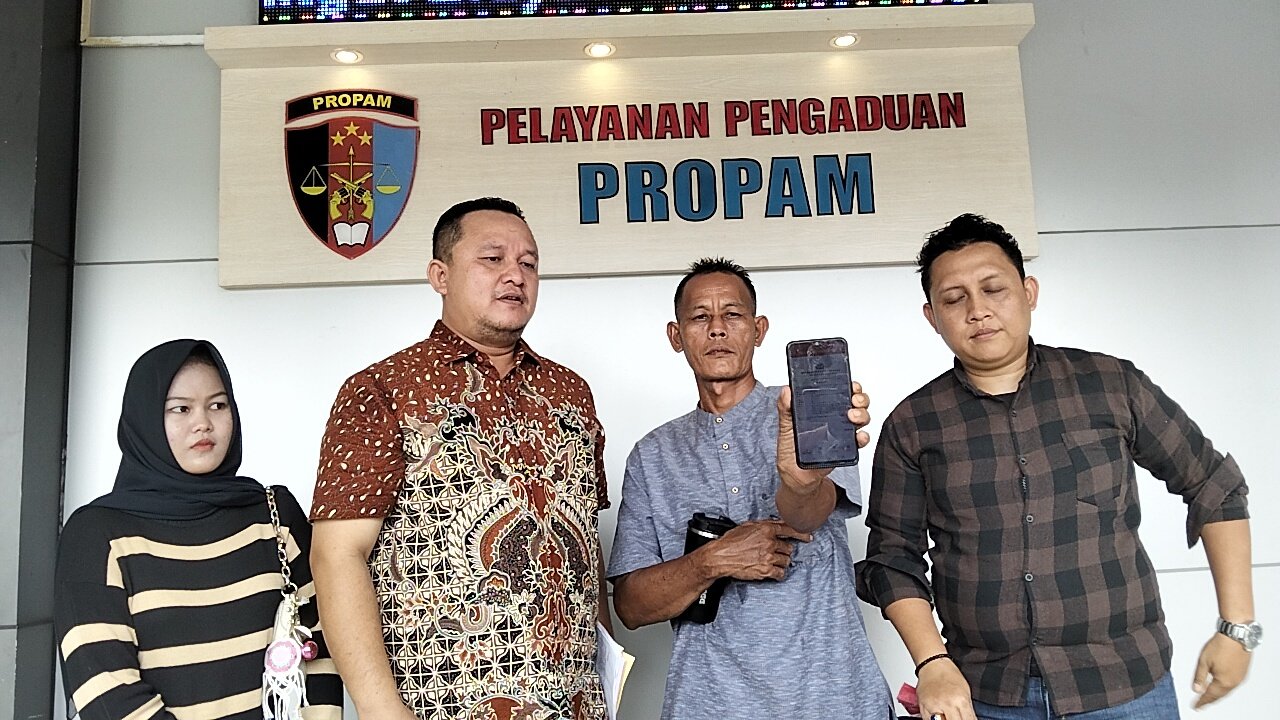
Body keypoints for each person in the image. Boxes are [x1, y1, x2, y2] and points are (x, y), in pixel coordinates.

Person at [855, 214, 1256, 720]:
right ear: (932, 317)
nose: (978, 311)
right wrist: (932, 663)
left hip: (1124, 685)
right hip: (984, 695)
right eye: (955, 299)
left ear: (1029, 293)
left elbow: (1214, 485)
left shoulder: (1109, 384)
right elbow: (893, 559)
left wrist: (1237, 628)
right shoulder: (913, 424)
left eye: (993, 289)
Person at [309, 197, 611, 720]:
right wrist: (380, 710)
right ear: (440, 275)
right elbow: (336, 556)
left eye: (529, 263)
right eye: (493, 259)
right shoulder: (383, 390)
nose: (515, 275)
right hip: (442, 705)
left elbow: (584, 546)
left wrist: (605, 683)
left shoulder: (571, 393)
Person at [607, 257, 895, 720]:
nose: (717, 328)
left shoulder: (801, 410)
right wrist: (712, 560)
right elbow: (631, 607)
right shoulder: (652, 455)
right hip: (708, 706)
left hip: (835, 700)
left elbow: (808, 514)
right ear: (676, 336)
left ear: (759, 330)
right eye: (700, 317)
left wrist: (800, 483)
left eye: (733, 314)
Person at [55, 339, 342, 720]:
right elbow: (107, 693)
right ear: (145, 419)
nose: (203, 422)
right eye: (181, 409)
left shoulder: (275, 516)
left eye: (217, 405)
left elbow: (319, 647)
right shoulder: (96, 536)